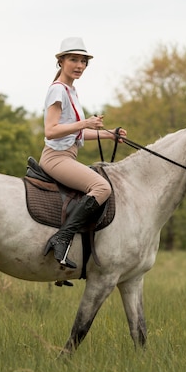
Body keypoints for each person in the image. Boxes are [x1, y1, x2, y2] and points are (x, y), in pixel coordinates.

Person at [40, 37, 127, 269]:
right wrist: (84, 123)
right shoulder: (58, 90)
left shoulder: (71, 91)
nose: (79, 65)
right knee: (102, 188)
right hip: (56, 158)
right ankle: (62, 238)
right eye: (73, 60)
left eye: (83, 61)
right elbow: (51, 131)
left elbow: (74, 135)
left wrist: (109, 135)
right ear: (61, 61)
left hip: (68, 154)